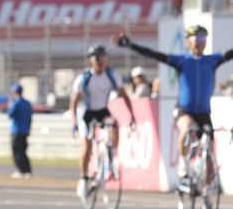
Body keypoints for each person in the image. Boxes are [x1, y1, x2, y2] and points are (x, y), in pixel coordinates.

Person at [113, 25, 233, 189]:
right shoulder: (182, 60)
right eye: (196, 40)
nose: (200, 43)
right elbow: (155, 55)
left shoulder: (212, 60)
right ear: (188, 42)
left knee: (210, 152)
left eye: (203, 39)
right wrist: (130, 45)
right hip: (184, 110)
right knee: (188, 128)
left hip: (204, 113)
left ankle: (206, 192)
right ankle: (183, 169)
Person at [70, 44, 136, 199]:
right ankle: (83, 178)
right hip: (86, 112)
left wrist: (132, 116)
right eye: (97, 59)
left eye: (103, 58)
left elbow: (124, 96)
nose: (101, 62)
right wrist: (74, 123)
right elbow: (74, 103)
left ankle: (111, 156)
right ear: (91, 62)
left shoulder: (112, 76)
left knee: (114, 123)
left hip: (102, 110)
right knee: (86, 146)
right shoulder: (83, 79)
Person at [7, 83, 33, 179]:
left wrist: (9, 105)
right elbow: (30, 117)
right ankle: (27, 170)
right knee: (23, 151)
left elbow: (10, 114)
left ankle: (21, 170)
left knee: (17, 152)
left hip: (16, 130)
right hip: (25, 130)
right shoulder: (27, 103)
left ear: (15, 92)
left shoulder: (15, 103)